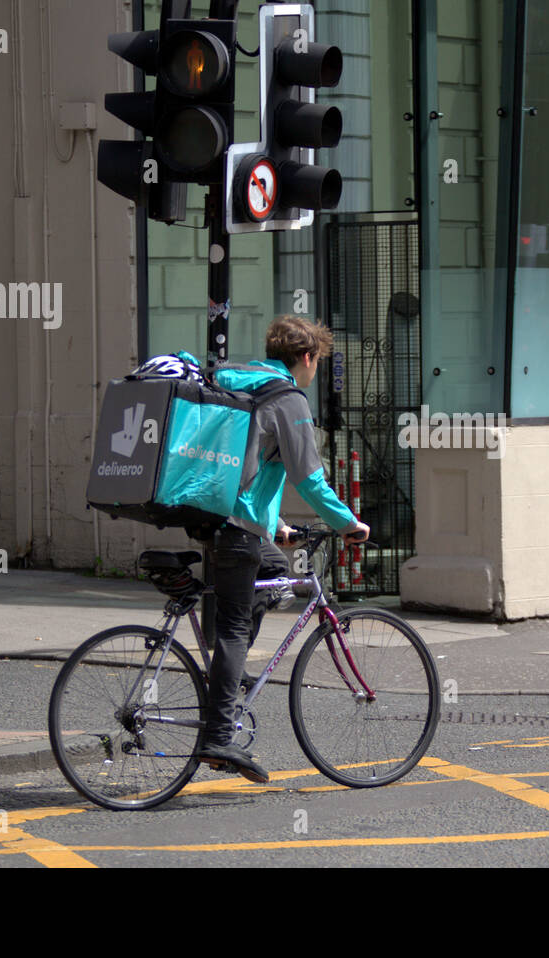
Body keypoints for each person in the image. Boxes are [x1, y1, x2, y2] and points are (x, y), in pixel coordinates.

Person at [197, 316, 369, 782]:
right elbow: (308, 477)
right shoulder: (287, 398)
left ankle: (226, 683)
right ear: (308, 358)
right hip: (235, 526)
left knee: (273, 575)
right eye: (317, 362)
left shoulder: (241, 382)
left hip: (217, 516)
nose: (315, 371)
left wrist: (277, 527)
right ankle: (216, 736)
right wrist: (348, 523)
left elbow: (245, 467)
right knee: (233, 627)